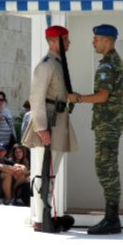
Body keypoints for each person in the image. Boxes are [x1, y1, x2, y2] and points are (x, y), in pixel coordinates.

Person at [68, 24, 123, 235]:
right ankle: (112, 219)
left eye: (97, 38)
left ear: (107, 41)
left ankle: (112, 220)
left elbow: (102, 97)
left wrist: (77, 98)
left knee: (106, 170)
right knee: (108, 168)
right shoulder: (114, 63)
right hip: (111, 124)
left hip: (108, 125)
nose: (93, 42)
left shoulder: (108, 66)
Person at [22, 25, 77, 232]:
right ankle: (39, 217)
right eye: (65, 39)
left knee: (51, 174)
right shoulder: (46, 65)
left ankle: (45, 214)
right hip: (48, 125)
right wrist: (42, 129)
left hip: (59, 122)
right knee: (40, 173)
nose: (69, 43)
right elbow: (36, 99)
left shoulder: (58, 63)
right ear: (54, 41)